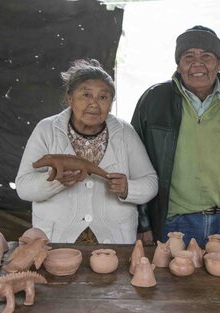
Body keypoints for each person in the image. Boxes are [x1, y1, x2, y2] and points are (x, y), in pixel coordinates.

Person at [131, 26, 220, 247]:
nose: (197, 63)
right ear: (178, 64)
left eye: (206, 56)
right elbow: (133, 165)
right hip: (169, 224)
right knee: (167, 281)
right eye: (188, 56)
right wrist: (143, 224)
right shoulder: (154, 100)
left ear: (219, 64)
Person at [16, 59, 158, 244]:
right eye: (86, 95)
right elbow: (24, 187)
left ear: (111, 102)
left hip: (114, 241)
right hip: (57, 240)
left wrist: (127, 189)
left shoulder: (124, 132)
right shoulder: (47, 130)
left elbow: (150, 182)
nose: (94, 104)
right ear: (70, 98)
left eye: (103, 97)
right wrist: (54, 181)